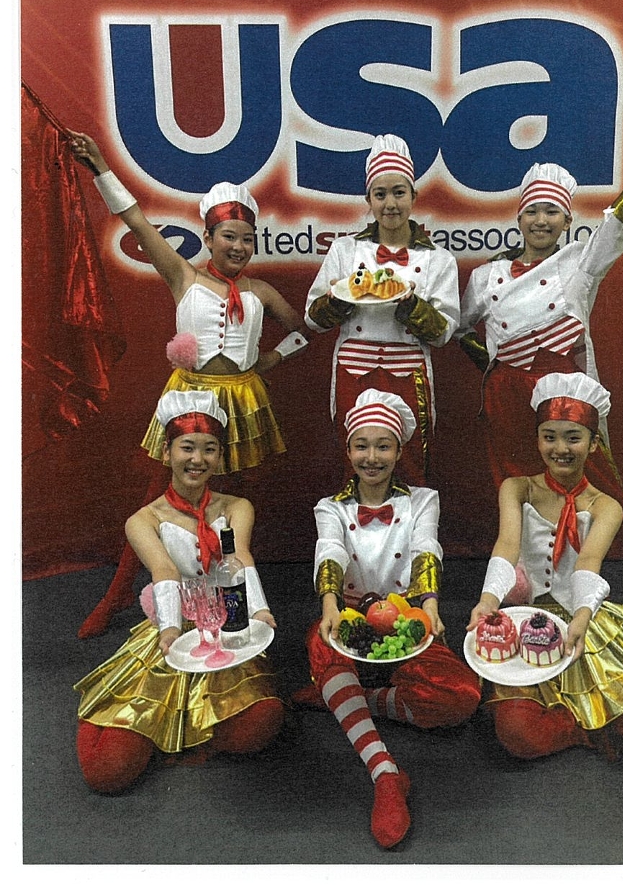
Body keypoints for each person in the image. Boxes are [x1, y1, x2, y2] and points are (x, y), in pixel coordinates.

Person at [456, 108, 623, 653]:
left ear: (565, 218)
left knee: (614, 502)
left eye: (552, 212)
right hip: (506, 406)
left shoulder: (581, 263)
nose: (541, 221)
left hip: (565, 403)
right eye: (533, 211)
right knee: (522, 509)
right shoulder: (486, 276)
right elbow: (457, 328)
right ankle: (527, 622)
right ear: (519, 216)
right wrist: (498, 367)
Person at [68, 131, 308, 636]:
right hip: (189, 399)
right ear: (209, 237)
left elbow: (305, 330)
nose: (238, 247)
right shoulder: (184, 277)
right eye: (229, 237)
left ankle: (231, 597)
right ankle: (118, 595)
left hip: (244, 404)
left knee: (231, 506)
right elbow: (135, 220)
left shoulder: (261, 290)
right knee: (159, 499)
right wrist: (101, 167)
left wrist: (268, 360)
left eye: (247, 238)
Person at [466, 372, 623, 781]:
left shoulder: (606, 506)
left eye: (573, 438)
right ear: (537, 439)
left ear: (594, 443)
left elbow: (588, 563)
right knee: (516, 736)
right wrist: (488, 600)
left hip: (584, 623)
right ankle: (596, 724)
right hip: (527, 625)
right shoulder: (516, 489)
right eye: (549, 437)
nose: (560, 448)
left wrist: (582, 617)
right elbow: (507, 547)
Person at [292, 389, 481, 848]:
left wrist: (430, 606)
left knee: (463, 698)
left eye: (383, 446)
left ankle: (353, 698)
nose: (371, 457)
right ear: (348, 450)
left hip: (406, 616)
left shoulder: (423, 500)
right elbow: (330, 551)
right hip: (352, 617)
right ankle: (385, 772)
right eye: (362, 445)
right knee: (321, 643)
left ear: (399, 451)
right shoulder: (330, 507)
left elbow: (425, 548)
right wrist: (330, 608)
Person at [74, 390, 284, 793]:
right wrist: (170, 631)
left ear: (219, 457)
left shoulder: (237, 506)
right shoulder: (143, 519)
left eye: (209, 449)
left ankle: (183, 732)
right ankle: (129, 723)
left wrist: (258, 612)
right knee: (107, 771)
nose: (197, 459)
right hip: (175, 630)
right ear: (166, 452)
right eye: (187, 447)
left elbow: (238, 558)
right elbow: (165, 570)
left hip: (227, 628)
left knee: (262, 723)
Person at [304, 134, 459, 485]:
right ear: (369, 200)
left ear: (414, 196)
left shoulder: (438, 259)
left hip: (408, 372)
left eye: (399, 193)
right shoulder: (344, 251)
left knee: (411, 460)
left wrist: (410, 306)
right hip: (353, 370)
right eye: (380, 194)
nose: (390, 203)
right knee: (356, 460)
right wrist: (339, 300)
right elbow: (312, 319)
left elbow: (443, 333)